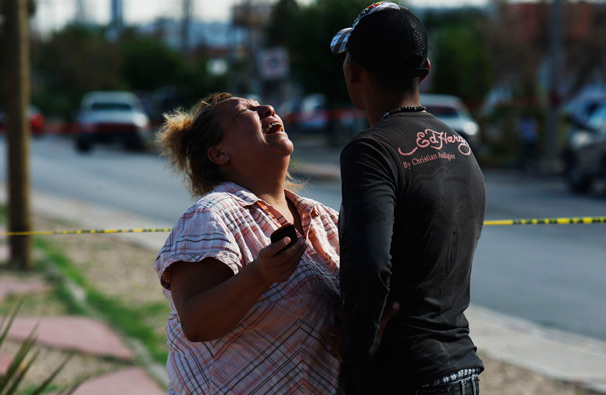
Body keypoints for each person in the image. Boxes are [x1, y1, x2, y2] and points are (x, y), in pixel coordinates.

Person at [329, 2, 486, 394]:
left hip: (402, 375)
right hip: (461, 370)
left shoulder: (371, 151)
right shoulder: (459, 147)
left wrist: (355, 347)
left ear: (353, 71)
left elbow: (371, 265)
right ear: (425, 70)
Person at [154, 92, 341, 394]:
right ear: (219, 154)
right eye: (247, 112)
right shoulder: (211, 215)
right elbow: (196, 323)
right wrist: (259, 276)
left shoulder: (325, 219)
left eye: (262, 105)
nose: (268, 108)